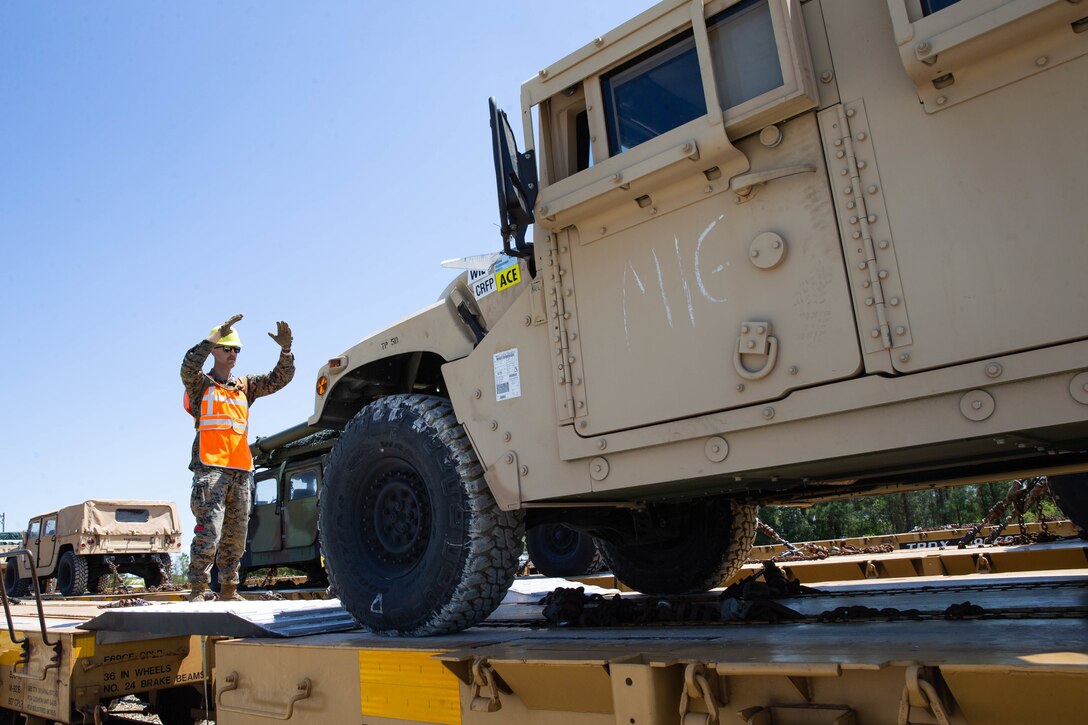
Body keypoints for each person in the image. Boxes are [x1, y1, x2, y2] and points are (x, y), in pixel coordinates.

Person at [180, 313, 294, 601]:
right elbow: (187, 366)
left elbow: (279, 379)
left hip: (240, 470)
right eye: (227, 348)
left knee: (235, 537)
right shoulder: (201, 385)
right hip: (211, 469)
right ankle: (197, 589)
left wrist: (286, 351)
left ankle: (229, 589)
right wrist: (211, 338)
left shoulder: (245, 386)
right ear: (216, 351)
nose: (233, 354)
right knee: (209, 534)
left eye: (237, 350)